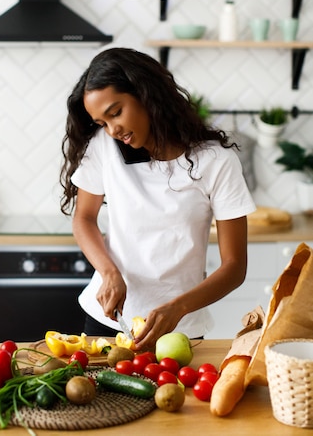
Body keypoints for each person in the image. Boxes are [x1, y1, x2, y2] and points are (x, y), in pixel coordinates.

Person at [60, 47, 256, 350]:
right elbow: (83, 219)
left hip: (181, 329)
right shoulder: (105, 148)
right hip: (107, 321)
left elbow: (234, 267)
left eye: (116, 113)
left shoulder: (216, 161)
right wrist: (109, 273)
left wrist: (177, 308)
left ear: (146, 93)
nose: (113, 130)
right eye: (103, 123)